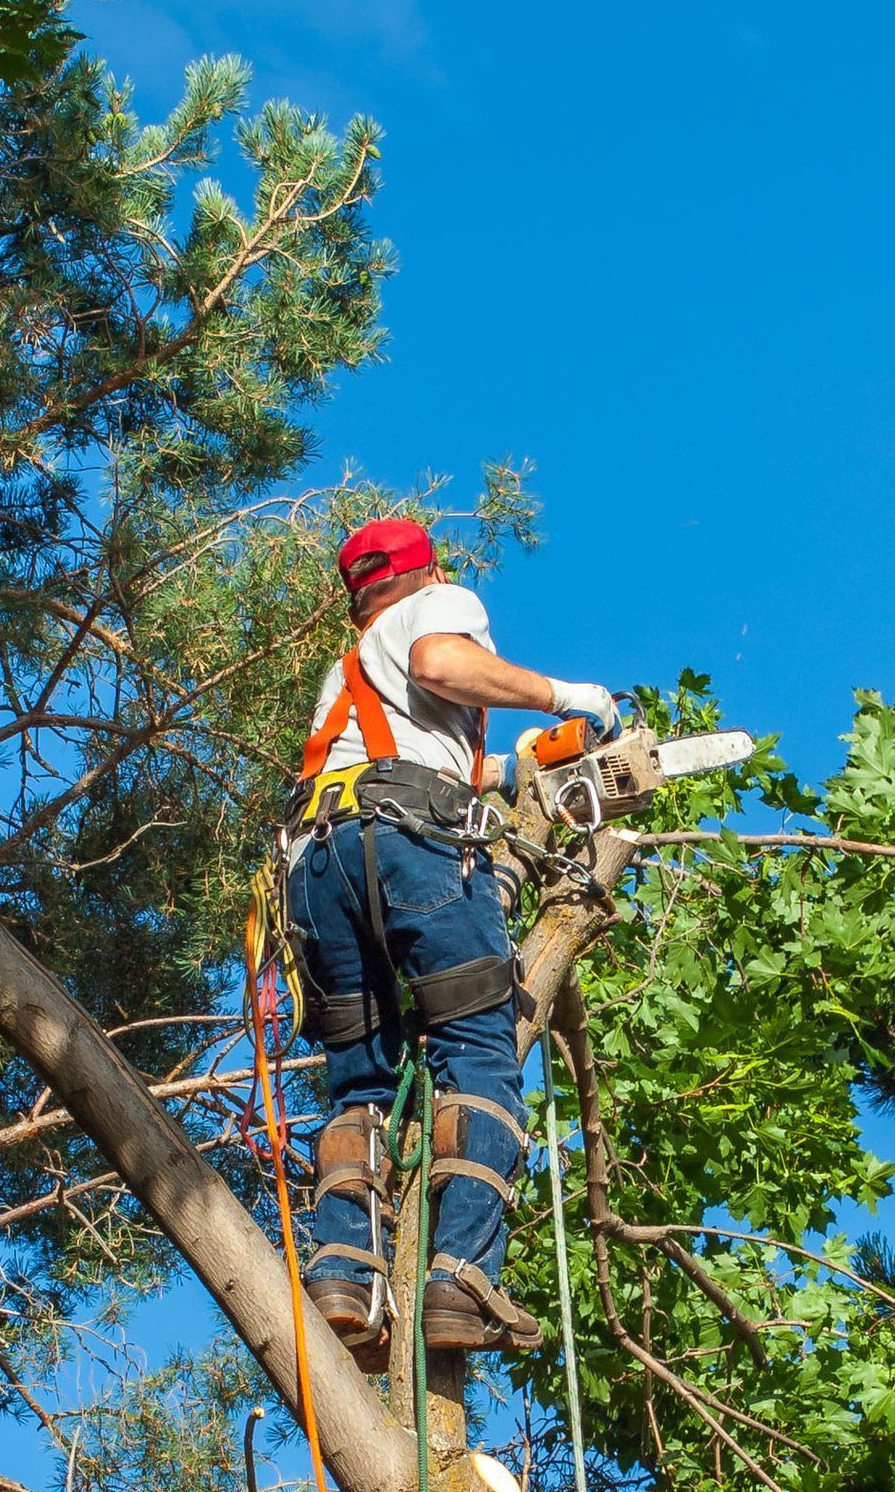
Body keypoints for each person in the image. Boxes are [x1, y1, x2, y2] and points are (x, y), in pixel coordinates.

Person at [282, 516, 618, 1361]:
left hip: (317, 864)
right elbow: (441, 665)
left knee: (358, 1081)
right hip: (412, 843)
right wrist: (563, 695)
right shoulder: (436, 608)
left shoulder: (349, 665)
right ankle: (459, 1279)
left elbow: (398, 747)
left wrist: (513, 768)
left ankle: (346, 1275)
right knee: (478, 1050)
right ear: (425, 576)